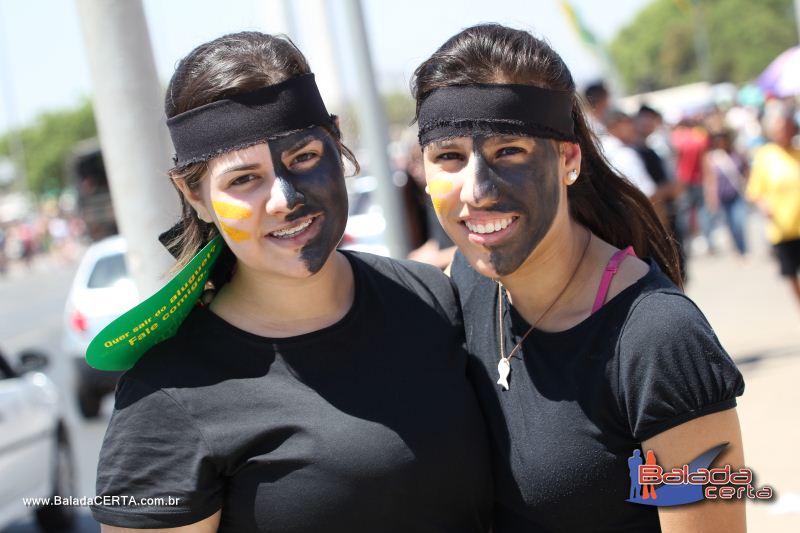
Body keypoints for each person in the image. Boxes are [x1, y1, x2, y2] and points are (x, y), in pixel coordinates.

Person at [90, 32, 492, 532]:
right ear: (193, 195)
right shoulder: (166, 397)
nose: (284, 199)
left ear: (337, 141)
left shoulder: (431, 298)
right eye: (243, 180)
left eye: (303, 158)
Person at [411, 24, 745, 532]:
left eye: (509, 152)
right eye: (449, 158)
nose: (475, 191)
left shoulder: (660, 340)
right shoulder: (470, 282)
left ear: (568, 159)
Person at [747, 105, 800, 310]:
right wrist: (764, 205)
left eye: (787, 127)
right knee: (791, 275)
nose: (784, 132)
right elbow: (754, 191)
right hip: (782, 229)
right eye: (779, 128)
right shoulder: (765, 156)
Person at [703, 130, 749, 257]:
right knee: (730, 225)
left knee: (739, 223)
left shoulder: (736, 155)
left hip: (737, 194)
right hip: (722, 197)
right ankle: (737, 249)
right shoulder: (711, 157)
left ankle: (743, 249)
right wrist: (711, 198)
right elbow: (709, 180)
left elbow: (746, 171)